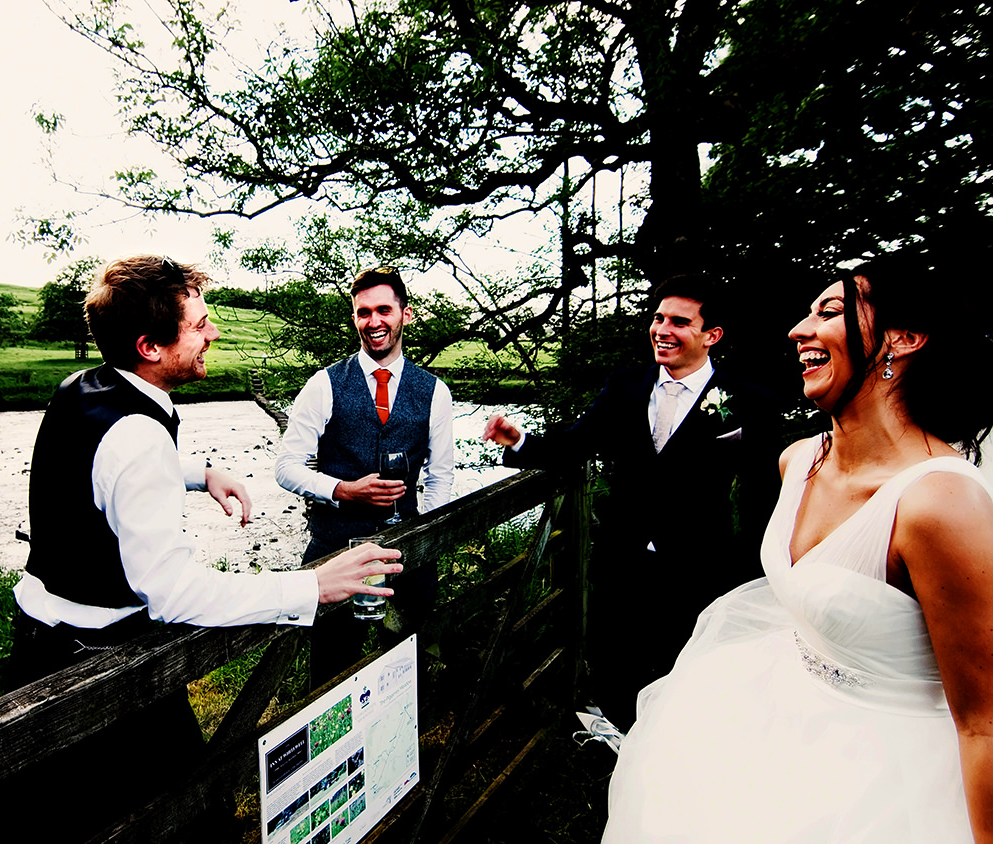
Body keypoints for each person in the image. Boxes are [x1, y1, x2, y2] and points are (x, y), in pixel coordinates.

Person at [0, 255, 401, 842]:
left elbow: (103, 466)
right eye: (199, 325)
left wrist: (198, 472)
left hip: (39, 638)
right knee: (180, 818)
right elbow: (172, 591)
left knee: (40, 820)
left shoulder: (86, 388)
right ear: (150, 346)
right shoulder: (136, 435)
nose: (213, 333)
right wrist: (312, 585)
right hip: (94, 664)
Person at [604, 253, 993, 842]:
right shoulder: (800, 461)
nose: (798, 331)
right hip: (773, 719)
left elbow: (984, 724)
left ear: (904, 340)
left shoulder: (940, 504)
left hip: (887, 781)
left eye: (830, 311)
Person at [483, 273, 779, 729]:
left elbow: (762, 495)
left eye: (679, 322)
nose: (662, 329)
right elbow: (572, 446)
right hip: (622, 559)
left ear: (711, 335)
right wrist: (519, 439)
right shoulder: (626, 386)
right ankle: (621, 748)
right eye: (658, 318)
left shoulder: (748, 402)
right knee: (617, 663)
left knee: (688, 671)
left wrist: (751, 574)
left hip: (699, 565)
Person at [275, 265, 453, 688]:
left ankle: (401, 750)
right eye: (363, 312)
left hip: (407, 554)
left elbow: (441, 478)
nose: (373, 322)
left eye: (384, 310)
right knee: (330, 676)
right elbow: (286, 467)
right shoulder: (324, 384)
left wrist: (424, 542)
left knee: (408, 667)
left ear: (405, 315)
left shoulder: (435, 391)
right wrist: (341, 490)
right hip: (334, 551)